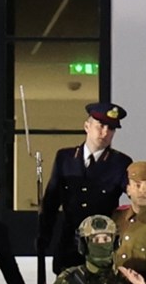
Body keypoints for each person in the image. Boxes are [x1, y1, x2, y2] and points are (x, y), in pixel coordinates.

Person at [41, 101, 134, 272]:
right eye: (101, 126)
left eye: (111, 129)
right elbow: (51, 202)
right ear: (87, 126)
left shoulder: (120, 163)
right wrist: (44, 235)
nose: (105, 132)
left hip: (101, 246)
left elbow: (134, 197)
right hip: (69, 243)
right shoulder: (65, 158)